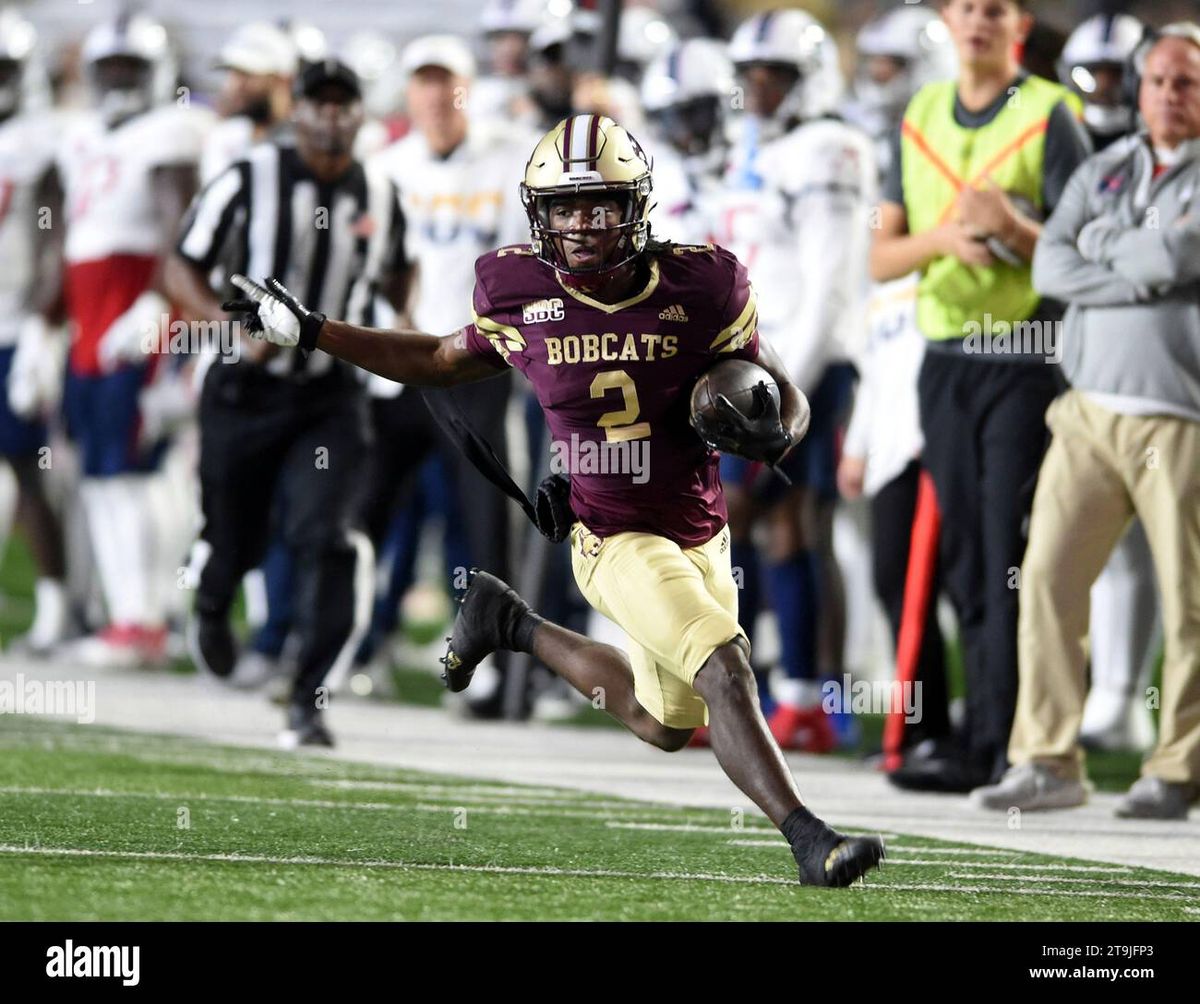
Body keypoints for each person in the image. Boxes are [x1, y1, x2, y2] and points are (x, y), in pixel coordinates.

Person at [225, 112, 886, 887]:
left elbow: (785, 392)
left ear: (636, 206)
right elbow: (441, 358)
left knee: (666, 722)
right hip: (613, 535)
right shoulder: (517, 290)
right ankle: (809, 838)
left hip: (702, 527)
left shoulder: (705, 283)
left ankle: (510, 622)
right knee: (725, 663)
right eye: (563, 206)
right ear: (537, 212)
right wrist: (314, 330)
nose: (580, 223)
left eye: (599, 204)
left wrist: (776, 433)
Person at [974, 25, 1200, 820]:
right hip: (1088, 409)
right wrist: (1136, 260)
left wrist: (1114, 255)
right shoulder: (1105, 167)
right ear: (1139, 88)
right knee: (1046, 581)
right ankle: (1048, 761)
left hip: (1182, 417)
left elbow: (1179, 260)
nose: (1171, 94)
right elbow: (1050, 266)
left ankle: (1177, 768)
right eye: (1160, 81)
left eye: (1187, 82)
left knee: (1190, 601)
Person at [870, 0, 1091, 791]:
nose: (977, 21)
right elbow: (883, 256)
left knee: (1009, 554)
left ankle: (1013, 746)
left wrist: (1011, 229)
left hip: (1024, 356)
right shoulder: (922, 111)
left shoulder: (1051, 114)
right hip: (944, 359)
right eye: (964, 7)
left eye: (994, 8)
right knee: (966, 559)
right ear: (947, 21)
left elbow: (1083, 254)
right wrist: (949, 240)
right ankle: (974, 742)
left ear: (1018, 25)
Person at [165, 59, 408, 747]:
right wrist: (234, 322)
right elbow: (181, 261)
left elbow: (400, 268)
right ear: (296, 109)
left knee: (324, 537)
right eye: (320, 103)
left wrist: (402, 331)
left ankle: (308, 696)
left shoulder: (382, 191)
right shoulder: (250, 176)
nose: (332, 116)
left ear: (360, 112)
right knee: (233, 535)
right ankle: (213, 602)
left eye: (344, 103)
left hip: (329, 395)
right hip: (245, 388)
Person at [711, 9, 876, 750]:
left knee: (787, 525)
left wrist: (780, 390)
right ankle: (766, 686)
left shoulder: (828, 148)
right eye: (750, 76)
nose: (759, 90)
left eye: (772, 75)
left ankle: (806, 695)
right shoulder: (758, 146)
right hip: (741, 368)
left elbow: (831, 286)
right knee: (732, 525)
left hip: (794, 369)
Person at [53, 12, 211, 667]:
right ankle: (130, 615)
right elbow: (67, 233)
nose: (119, 80)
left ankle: (145, 619)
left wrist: (156, 299)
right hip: (90, 316)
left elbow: (185, 226)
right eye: (110, 69)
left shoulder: (172, 132)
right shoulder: (80, 134)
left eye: (131, 69)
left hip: (135, 312)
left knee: (132, 472)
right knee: (100, 476)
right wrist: (47, 323)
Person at [1058, 11, 1159, 754]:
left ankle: (1128, 698)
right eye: (1094, 74)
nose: (1107, 90)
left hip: (1160, 369)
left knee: (1149, 544)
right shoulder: (1072, 145)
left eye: (1121, 75)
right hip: (1073, 359)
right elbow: (1051, 260)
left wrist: (1100, 246)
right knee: (1076, 542)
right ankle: (1098, 702)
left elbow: (1166, 261)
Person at [0, 9, 67, 654]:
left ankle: (53, 609)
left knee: (26, 467)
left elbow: (54, 241)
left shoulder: (37, 142)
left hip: (13, 328)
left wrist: (43, 331)